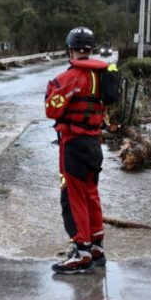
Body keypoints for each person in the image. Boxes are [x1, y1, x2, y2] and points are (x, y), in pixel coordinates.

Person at [45, 26, 108, 274]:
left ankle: (81, 251)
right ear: (90, 50)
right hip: (94, 143)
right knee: (91, 194)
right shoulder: (102, 77)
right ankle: (96, 247)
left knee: (73, 198)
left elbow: (52, 110)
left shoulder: (69, 78)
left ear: (70, 50)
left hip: (74, 143)